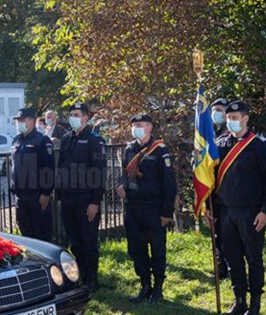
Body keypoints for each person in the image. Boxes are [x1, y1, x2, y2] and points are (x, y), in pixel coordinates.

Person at [214, 101, 266, 315]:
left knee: (253, 258)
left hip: (251, 211)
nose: (231, 121)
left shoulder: (259, 145)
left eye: (235, 117)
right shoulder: (220, 143)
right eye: (228, 117)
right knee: (232, 257)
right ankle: (239, 301)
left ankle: (255, 305)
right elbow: (211, 177)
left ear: (245, 119)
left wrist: (265, 210)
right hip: (226, 211)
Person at [117, 114, 177, 303]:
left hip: (153, 208)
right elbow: (124, 173)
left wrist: (166, 213)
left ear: (150, 127)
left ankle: (158, 288)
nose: (136, 128)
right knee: (136, 248)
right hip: (132, 207)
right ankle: (145, 285)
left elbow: (169, 184)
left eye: (140, 125)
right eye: (134, 125)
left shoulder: (160, 151)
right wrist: (120, 184)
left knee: (157, 250)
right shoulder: (129, 149)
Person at [56, 102, 107, 291]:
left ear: (86, 117)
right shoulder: (67, 139)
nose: (73, 118)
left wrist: (95, 202)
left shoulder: (95, 140)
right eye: (71, 114)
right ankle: (79, 275)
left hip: (86, 199)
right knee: (74, 240)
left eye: (76, 114)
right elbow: (61, 169)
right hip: (69, 198)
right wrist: (60, 197)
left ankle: (92, 278)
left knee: (88, 240)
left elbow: (100, 173)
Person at [10, 107, 55, 241]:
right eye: (18, 120)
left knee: (41, 235)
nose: (19, 123)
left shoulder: (42, 140)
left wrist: (46, 193)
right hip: (20, 196)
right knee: (26, 236)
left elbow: (49, 167)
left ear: (32, 121)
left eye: (22, 120)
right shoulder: (16, 140)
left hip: (37, 196)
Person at [208, 98, 231, 290]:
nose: (218, 114)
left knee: (230, 235)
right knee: (217, 234)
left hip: (229, 192)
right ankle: (220, 267)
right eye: (215, 110)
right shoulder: (209, 133)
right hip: (213, 192)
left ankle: (233, 268)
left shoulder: (231, 135)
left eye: (222, 111)